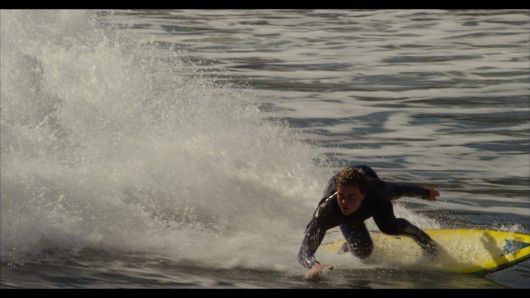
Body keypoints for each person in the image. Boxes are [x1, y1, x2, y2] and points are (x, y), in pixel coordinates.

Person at [297, 165, 440, 280]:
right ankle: (348, 245)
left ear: (363, 195)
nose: (345, 202)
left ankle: (425, 240)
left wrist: (426, 193)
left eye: (351, 197)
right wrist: (313, 265)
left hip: (367, 179)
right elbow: (304, 251)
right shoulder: (326, 211)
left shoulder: (378, 192)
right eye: (341, 196)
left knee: (389, 227)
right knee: (363, 250)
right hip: (347, 195)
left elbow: (401, 189)